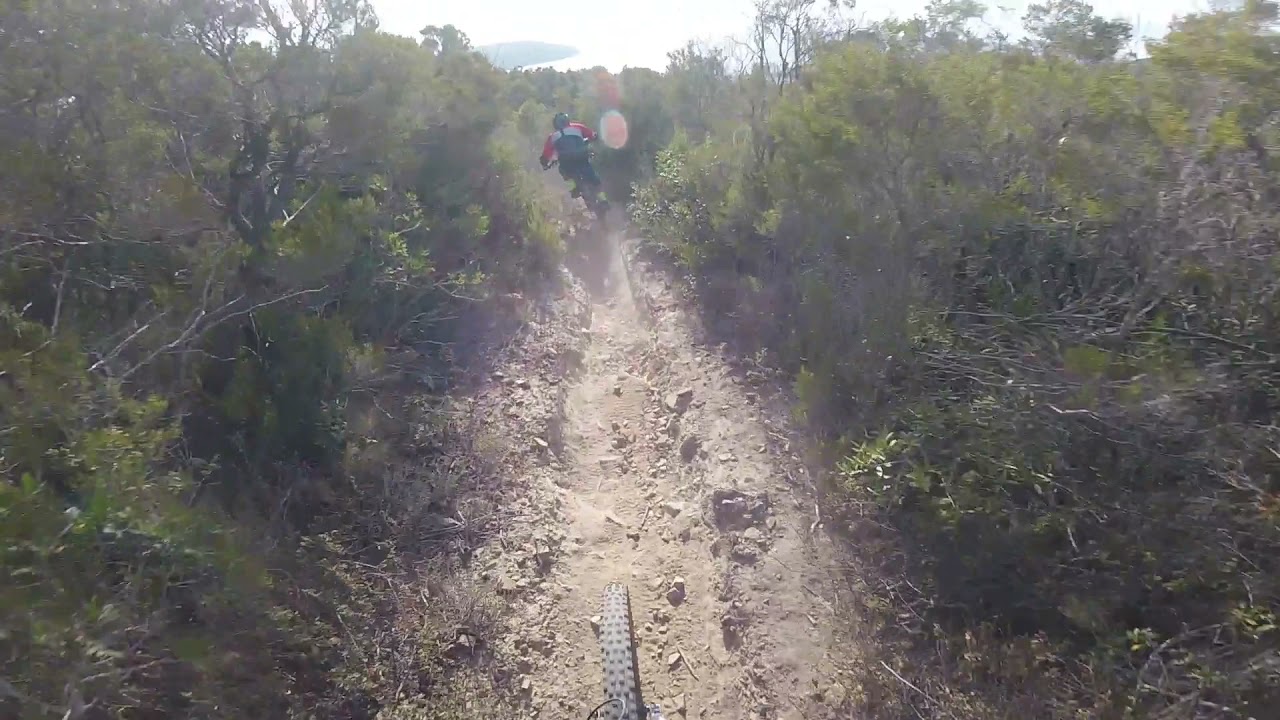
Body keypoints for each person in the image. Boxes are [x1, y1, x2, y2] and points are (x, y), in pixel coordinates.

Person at [539, 112, 607, 204]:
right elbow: (592, 135)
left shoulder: (553, 136)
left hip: (566, 162)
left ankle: (574, 189)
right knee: (594, 179)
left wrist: (545, 162)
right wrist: (595, 137)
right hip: (582, 157)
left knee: (565, 173)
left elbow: (546, 154)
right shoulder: (577, 127)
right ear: (567, 121)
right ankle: (603, 200)